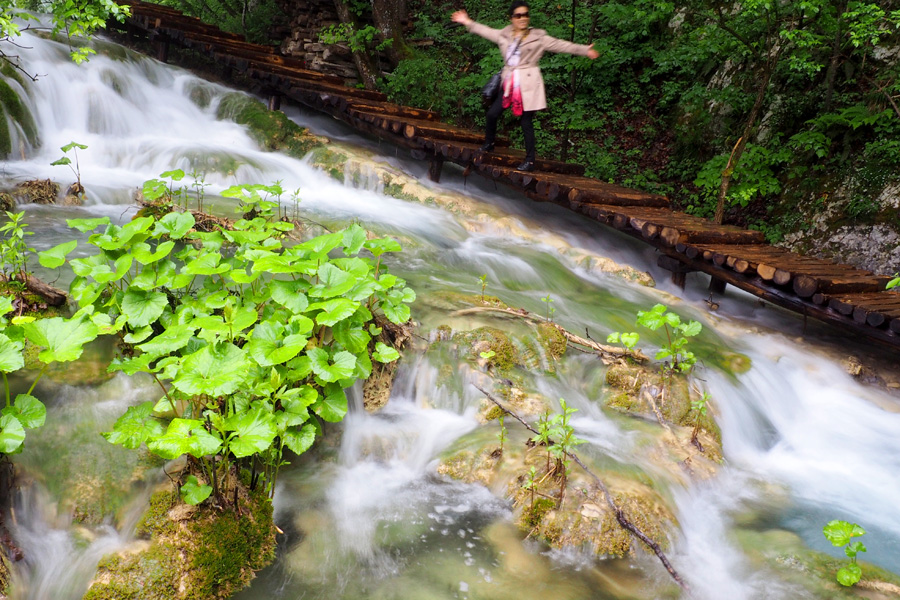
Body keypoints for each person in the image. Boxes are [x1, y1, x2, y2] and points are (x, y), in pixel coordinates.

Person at [451, 1, 600, 172]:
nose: (523, 18)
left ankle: (530, 161)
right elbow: (486, 31)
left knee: (526, 122)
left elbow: (561, 45)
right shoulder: (504, 34)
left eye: (526, 15)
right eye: (518, 15)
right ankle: (489, 143)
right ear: (511, 18)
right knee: (492, 113)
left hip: (529, 84)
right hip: (509, 82)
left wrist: (584, 50)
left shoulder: (538, 37)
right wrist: (467, 22)